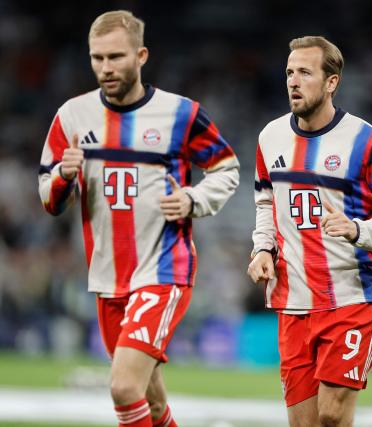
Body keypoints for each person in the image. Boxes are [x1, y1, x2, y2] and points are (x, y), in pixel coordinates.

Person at [38, 10, 240, 427]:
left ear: (141, 55)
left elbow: (226, 167)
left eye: (116, 57)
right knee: (150, 402)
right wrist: (64, 176)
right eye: (97, 58)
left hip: (164, 268)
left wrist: (193, 199)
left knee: (123, 387)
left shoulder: (181, 114)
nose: (106, 68)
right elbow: (48, 196)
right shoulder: (72, 116)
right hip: (108, 276)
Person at [247, 36, 372, 427]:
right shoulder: (269, 137)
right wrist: (262, 249)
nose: (293, 81)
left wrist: (358, 229)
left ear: (331, 82)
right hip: (292, 302)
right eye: (290, 72)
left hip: (351, 300)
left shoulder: (366, 141)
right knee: (304, 423)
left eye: (305, 73)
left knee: (331, 416)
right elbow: (264, 203)